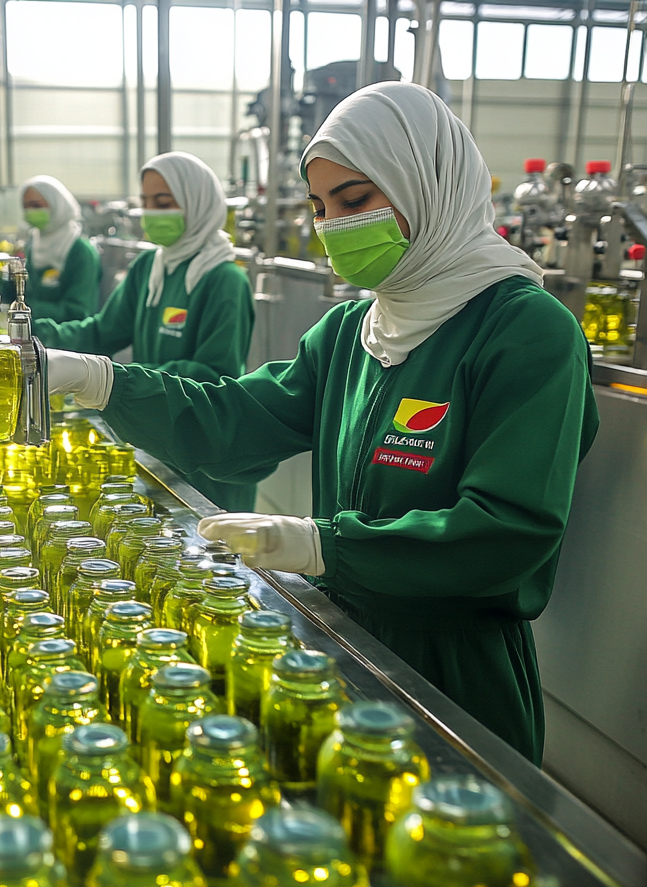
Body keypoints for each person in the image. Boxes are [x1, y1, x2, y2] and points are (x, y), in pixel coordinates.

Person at [44, 82, 599, 765]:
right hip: (345, 646)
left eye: (356, 200)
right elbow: (236, 419)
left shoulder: (524, 330)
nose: (333, 224)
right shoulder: (350, 331)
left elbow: (508, 531)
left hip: (455, 677)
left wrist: (318, 545)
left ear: (426, 180)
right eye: (319, 207)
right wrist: (97, 379)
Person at [38, 151, 256, 512]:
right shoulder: (149, 268)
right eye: (146, 202)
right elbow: (101, 332)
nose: (151, 213)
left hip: (204, 456)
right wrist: (36, 337)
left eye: (164, 202)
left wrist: (120, 381)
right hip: (155, 435)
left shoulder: (224, 280)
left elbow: (215, 376)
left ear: (195, 202)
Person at [1, 175, 101, 323]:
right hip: (35, 333)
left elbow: (78, 311)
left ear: (57, 204)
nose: (30, 212)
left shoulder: (80, 251)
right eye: (26, 206)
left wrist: (27, 310)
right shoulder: (33, 245)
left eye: (36, 206)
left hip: (69, 340)